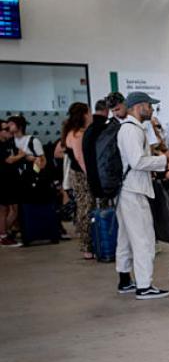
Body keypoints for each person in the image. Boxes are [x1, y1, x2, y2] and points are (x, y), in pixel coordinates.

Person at [115, 92, 169, 299]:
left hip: (127, 189)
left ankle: (124, 280)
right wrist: (163, 160)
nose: (152, 109)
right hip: (134, 190)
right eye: (149, 105)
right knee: (144, 240)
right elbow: (137, 162)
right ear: (138, 107)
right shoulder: (131, 130)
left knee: (126, 239)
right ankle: (144, 286)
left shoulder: (130, 129)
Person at [62, 102, 96, 258]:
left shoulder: (71, 132)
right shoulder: (77, 134)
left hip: (77, 174)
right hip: (82, 175)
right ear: (83, 114)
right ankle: (87, 246)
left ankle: (89, 244)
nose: (91, 115)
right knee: (85, 208)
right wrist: (91, 175)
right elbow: (80, 157)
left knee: (84, 207)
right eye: (89, 112)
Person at [0, 122, 18, 246]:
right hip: (2, 181)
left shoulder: (8, 144)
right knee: (4, 210)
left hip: (10, 180)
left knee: (13, 209)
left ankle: (3, 234)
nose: (9, 131)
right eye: (6, 129)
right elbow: (9, 160)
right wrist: (21, 154)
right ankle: (3, 236)